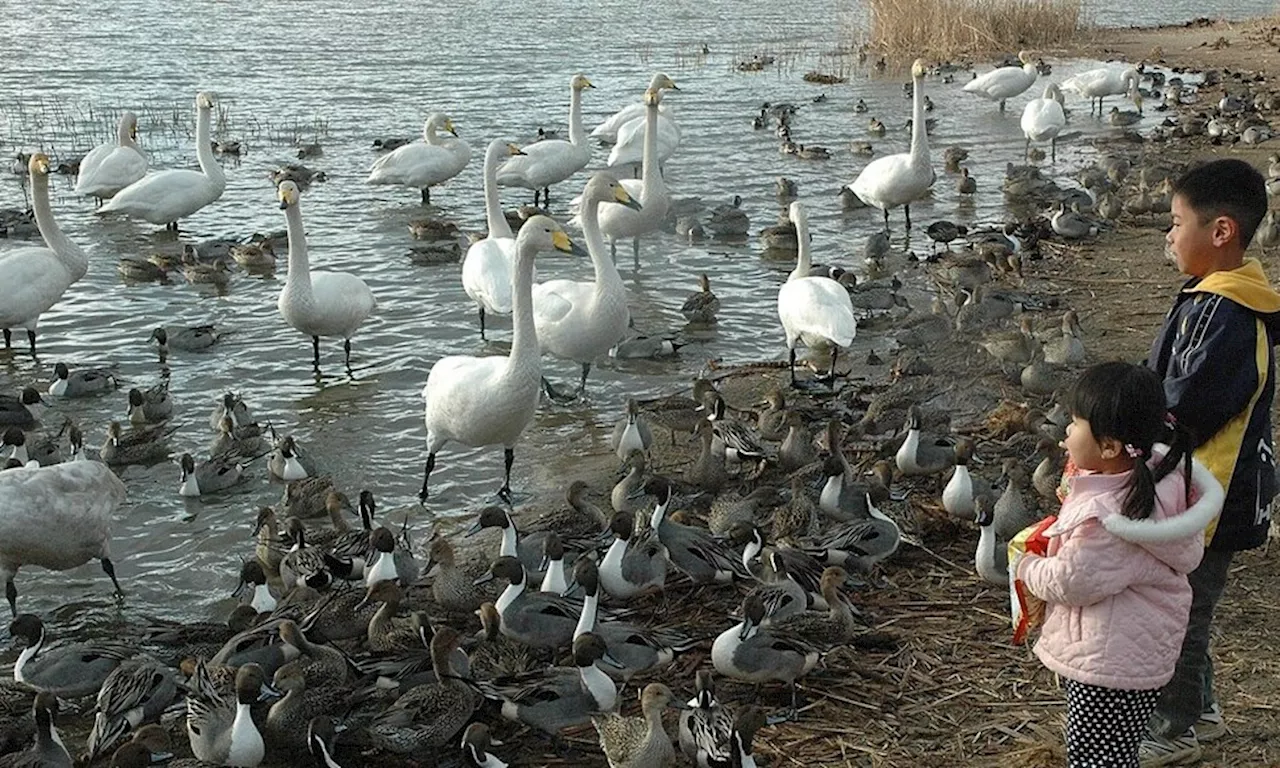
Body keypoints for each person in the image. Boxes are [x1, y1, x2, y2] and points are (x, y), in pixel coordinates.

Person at [1141, 158, 1280, 766]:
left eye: (1175, 223)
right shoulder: (1223, 296)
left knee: (1182, 612)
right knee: (1187, 603)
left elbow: (1186, 404)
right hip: (1208, 490)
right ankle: (1203, 707)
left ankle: (1178, 727)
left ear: (1220, 231)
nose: (1168, 236)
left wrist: (1127, 437)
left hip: (1211, 496)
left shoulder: (1227, 312)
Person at [1016, 362, 1223, 768]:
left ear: (1110, 447)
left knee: (1094, 756)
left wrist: (1026, 567)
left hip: (1108, 662)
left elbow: (1072, 580)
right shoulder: (1155, 478)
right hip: (1137, 655)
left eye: (1075, 424)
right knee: (1117, 750)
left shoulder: (1111, 521)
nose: (1066, 432)